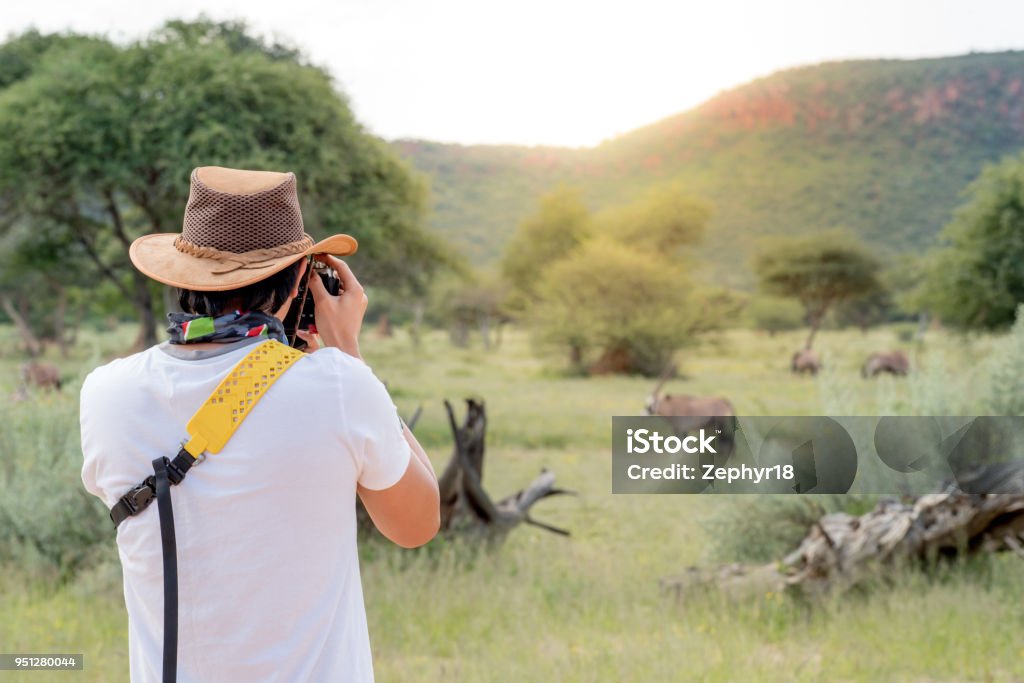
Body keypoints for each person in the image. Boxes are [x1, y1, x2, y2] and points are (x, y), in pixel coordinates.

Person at [80, 166, 440, 682]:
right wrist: (350, 354)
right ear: (301, 279)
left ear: (182, 276)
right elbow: (417, 524)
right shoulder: (340, 386)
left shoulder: (105, 392)